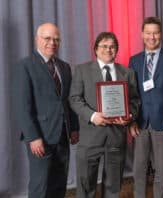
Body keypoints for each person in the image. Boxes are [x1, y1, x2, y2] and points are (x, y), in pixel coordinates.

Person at [69, 32, 140, 198]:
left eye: (112, 47)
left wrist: (129, 115)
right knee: (86, 186)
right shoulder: (82, 70)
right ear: (96, 49)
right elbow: (74, 99)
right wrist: (93, 116)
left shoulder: (127, 73)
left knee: (113, 187)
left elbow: (135, 101)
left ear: (116, 50)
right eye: (104, 46)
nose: (108, 50)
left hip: (116, 137)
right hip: (90, 137)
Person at [12, 23, 79, 198]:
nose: (52, 43)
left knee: (59, 184)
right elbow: (22, 107)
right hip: (40, 136)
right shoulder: (25, 66)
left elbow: (68, 100)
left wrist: (74, 128)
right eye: (47, 38)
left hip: (63, 134)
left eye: (56, 39)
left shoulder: (64, 67)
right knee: (40, 186)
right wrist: (33, 137)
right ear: (37, 39)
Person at [129, 16, 163, 198]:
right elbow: (131, 94)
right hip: (140, 123)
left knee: (161, 169)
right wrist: (131, 121)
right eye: (148, 33)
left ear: (161, 34)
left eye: (156, 33)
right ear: (142, 34)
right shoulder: (134, 60)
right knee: (139, 169)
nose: (152, 37)